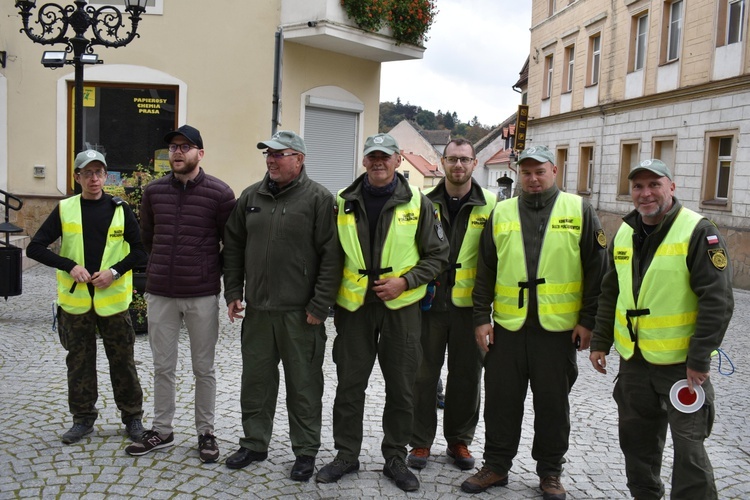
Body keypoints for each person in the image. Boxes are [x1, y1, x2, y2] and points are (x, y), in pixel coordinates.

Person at [463, 146, 607, 499]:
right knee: (501, 402)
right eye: (526, 172)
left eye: (539, 171)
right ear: (519, 174)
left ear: (554, 171)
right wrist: (482, 317)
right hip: (508, 329)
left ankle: (550, 473)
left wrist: (588, 320)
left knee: (553, 406)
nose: (532, 178)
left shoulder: (579, 210)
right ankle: (496, 466)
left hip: (557, 332)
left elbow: (598, 272)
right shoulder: (502, 212)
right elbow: (485, 271)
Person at [589, 159, 734, 500]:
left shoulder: (699, 232)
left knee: (690, 453)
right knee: (636, 446)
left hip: (682, 367)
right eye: (638, 186)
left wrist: (699, 357)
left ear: (672, 187)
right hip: (635, 363)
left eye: (654, 184)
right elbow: (611, 291)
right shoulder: (625, 231)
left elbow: (718, 301)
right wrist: (600, 340)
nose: (645, 193)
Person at [316, 133, 449, 492]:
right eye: (372, 156)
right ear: (364, 161)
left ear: (397, 161)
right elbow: (330, 256)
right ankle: (346, 454)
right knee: (349, 386)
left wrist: (405, 282)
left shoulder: (419, 203)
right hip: (355, 308)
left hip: (401, 308)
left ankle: (395, 456)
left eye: (385, 157)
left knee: (403, 387)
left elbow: (438, 255)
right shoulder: (342, 201)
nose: (378, 162)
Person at [222, 131, 342, 481]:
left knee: (304, 385)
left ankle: (305, 452)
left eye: (279, 154)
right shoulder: (250, 197)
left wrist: (320, 305)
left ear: (299, 159)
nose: (271, 160)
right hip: (258, 311)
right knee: (255, 382)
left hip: (301, 315)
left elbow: (332, 257)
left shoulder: (319, 199)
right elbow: (232, 247)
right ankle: (254, 442)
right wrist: (233, 292)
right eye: (268, 155)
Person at [125, 125, 236, 463]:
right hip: (161, 293)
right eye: (173, 147)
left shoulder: (220, 193)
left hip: (201, 293)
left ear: (200, 153)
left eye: (185, 147)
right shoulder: (154, 192)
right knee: (163, 366)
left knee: (204, 368)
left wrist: (219, 281)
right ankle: (162, 430)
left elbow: (230, 246)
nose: (176, 153)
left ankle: (206, 432)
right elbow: (148, 239)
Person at [27, 150, 146, 444]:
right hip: (76, 301)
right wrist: (70, 266)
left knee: (123, 363)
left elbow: (141, 251)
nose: (94, 179)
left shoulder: (121, 209)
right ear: (77, 177)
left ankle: (133, 418)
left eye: (99, 173)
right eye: (87, 173)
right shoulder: (65, 208)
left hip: (113, 301)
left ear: (106, 176)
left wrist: (115, 272)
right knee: (79, 363)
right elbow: (35, 248)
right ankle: (82, 420)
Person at [408, 138, 496, 471]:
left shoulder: (492, 204)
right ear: (442, 163)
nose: (458, 166)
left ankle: (459, 440)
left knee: (466, 377)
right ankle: (420, 442)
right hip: (429, 303)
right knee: (423, 375)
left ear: (474, 164)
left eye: (464, 160)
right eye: (452, 160)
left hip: (470, 308)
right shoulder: (422, 202)